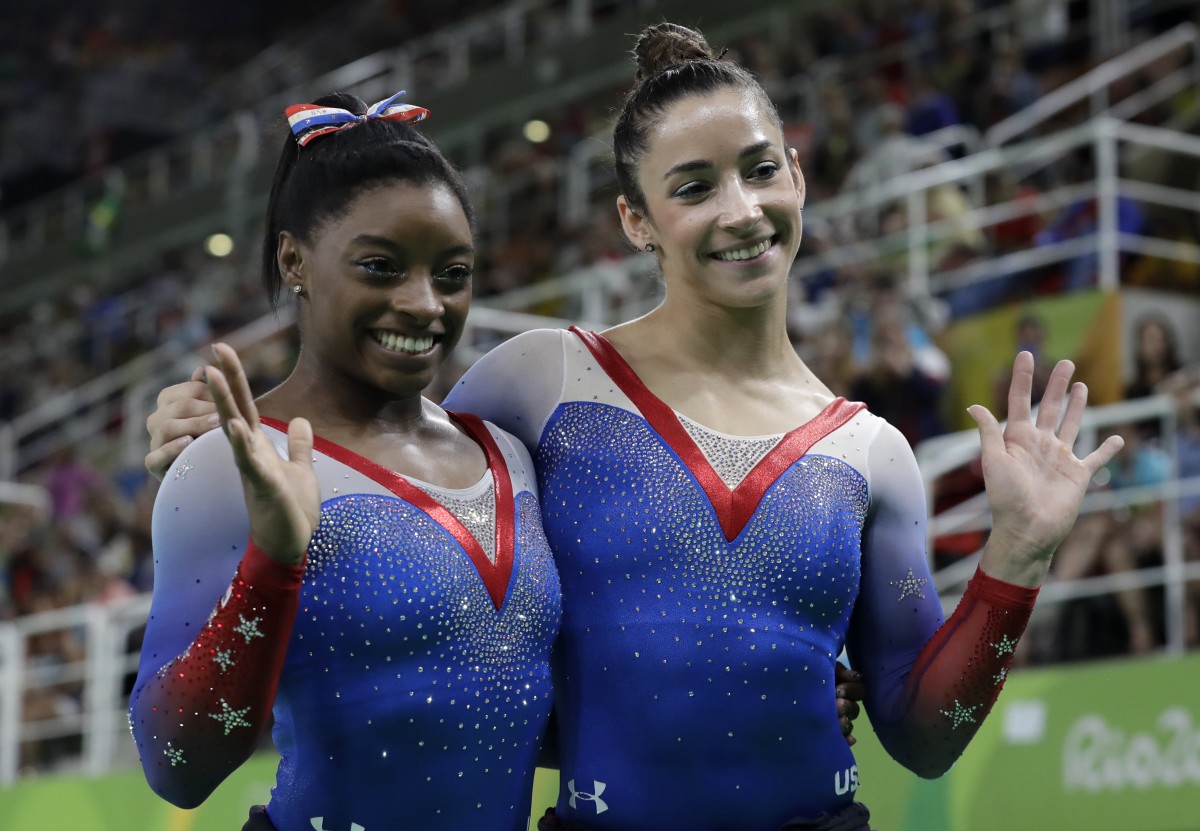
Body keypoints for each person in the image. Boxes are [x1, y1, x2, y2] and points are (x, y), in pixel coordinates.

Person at [144, 24, 1122, 831]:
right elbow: (381, 487)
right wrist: (220, 444)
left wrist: (1018, 558)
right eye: (694, 186)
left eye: (760, 169)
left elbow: (924, 735)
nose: (740, 211)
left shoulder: (871, 452)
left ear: (800, 176)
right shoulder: (540, 384)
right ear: (636, 220)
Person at [128, 91, 563, 831]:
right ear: (294, 259)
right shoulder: (231, 463)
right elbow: (177, 766)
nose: (424, 303)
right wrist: (274, 562)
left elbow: (512, 708)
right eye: (380, 267)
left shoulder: (510, 454)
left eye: (451, 273)